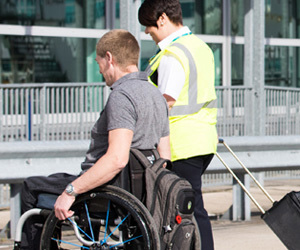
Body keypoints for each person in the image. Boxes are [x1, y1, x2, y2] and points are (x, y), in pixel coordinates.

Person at [20, 29, 170, 249]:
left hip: (107, 192)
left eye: (98, 62)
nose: (99, 70)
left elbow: (117, 159)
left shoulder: (122, 95)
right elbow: (164, 156)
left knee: (31, 188)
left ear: (109, 58)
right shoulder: (155, 94)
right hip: (141, 191)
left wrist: (71, 191)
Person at [138, 1, 218, 249]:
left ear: (162, 19)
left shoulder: (173, 53)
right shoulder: (200, 47)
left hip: (180, 143)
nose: (147, 32)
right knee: (191, 206)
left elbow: (166, 102)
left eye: (148, 26)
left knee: (187, 210)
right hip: (203, 140)